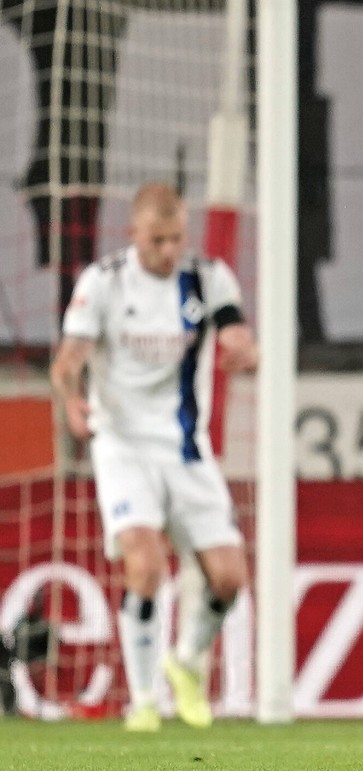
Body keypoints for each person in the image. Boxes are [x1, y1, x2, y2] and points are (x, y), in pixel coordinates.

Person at [50, 182, 259, 731]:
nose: (169, 252)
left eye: (176, 239)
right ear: (133, 234)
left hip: (187, 449)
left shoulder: (208, 277)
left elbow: (239, 333)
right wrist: (72, 399)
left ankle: (185, 663)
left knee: (229, 578)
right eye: (157, 240)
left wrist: (246, 348)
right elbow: (69, 358)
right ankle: (143, 700)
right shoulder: (105, 282)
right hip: (121, 445)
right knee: (145, 566)